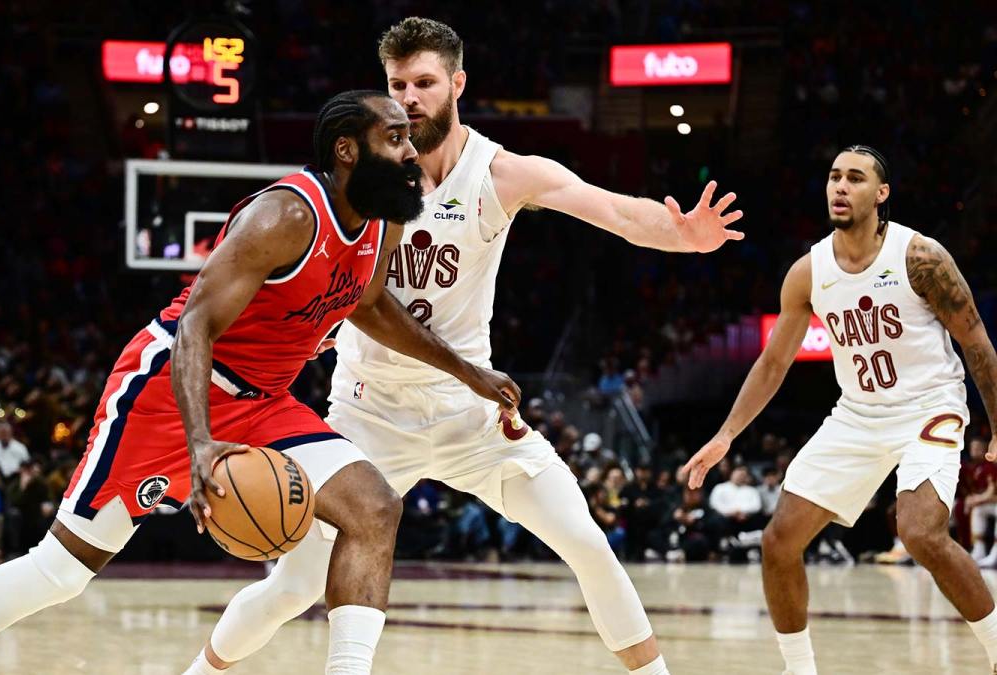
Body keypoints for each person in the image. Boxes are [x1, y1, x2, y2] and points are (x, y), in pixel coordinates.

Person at [0, 90, 519, 675]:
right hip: (168, 391)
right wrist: (199, 442)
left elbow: (371, 306)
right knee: (61, 570)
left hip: (263, 402)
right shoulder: (285, 216)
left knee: (374, 507)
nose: (411, 149)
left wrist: (471, 373)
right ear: (347, 149)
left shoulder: (383, 218)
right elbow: (196, 325)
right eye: (394, 136)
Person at [191, 18, 744, 675]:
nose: (410, 98)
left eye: (424, 82)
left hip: (473, 416)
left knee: (588, 544)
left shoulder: (500, 173)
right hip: (371, 413)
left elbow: (615, 210)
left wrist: (681, 235)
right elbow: (316, 267)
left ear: (457, 84)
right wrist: (316, 324)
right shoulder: (362, 177)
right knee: (293, 585)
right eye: (398, 85)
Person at [683, 146, 997, 674]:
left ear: (881, 193)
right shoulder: (808, 272)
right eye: (834, 177)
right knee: (779, 541)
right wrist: (726, 434)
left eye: (855, 177)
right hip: (857, 414)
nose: (841, 187)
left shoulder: (920, 256)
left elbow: (977, 342)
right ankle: (799, 670)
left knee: (920, 533)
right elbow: (773, 362)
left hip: (928, 407)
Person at [962, 437, 997, 566]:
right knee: (978, 510)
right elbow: (991, 493)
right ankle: (979, 550)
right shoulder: (988, 468)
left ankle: (995, 553)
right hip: (993, 504)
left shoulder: (990, 467)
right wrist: (976, 500)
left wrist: (977, 499)